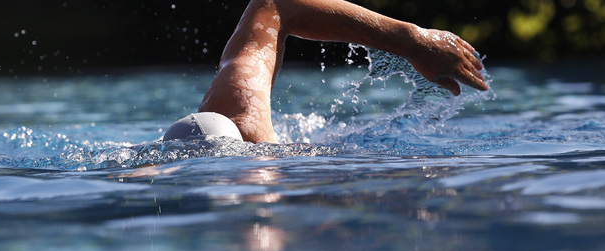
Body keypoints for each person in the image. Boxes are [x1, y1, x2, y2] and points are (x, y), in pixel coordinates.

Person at [163, 0, 489, 144]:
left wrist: (414, 41)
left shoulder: (238, 116)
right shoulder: (241, 121)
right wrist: (414, 41)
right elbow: (275, 3)